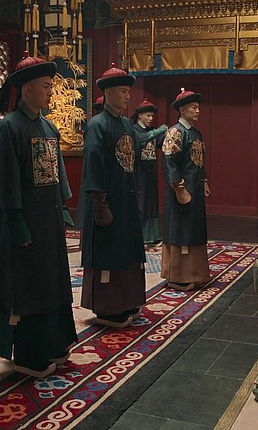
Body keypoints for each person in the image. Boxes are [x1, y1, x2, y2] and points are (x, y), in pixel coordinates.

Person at [0, 53, 76, 378]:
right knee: (29, 287)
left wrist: (62, 210)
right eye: (46, 86)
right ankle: (29, 353)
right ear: (27, 89)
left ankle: (55, 343)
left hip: (49, 221)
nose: (51, 92)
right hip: (24, 224)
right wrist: (17, 224)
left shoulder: (49, 126)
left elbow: (58, 174)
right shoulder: (8, 127)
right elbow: (6, 180)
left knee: (53, 282)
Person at [79, 64, 165, 328]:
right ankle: (109, 307)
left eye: (128, 91)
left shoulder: (127, 124)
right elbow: (93, 166)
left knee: (128, 251)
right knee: (110, 253)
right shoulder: (97, 125)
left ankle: (129, 300)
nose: (128, 96)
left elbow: (133, 161)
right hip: (108, 201)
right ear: (108, 94)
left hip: (127, 199)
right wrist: (100, 204)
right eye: (122, 92)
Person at [161, 88, 211, 291]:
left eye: (198, 107)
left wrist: (204, 180)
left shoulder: (195, 133)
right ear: (182, 110)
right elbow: (169, 161)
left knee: (194, 229)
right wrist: (178, 187)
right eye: (193, 107)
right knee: (181, 230)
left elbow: (200, 161)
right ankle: (179, 274)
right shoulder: (175, 132)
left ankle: (196, 272)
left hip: (195, 189)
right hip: (181, 190)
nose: (197, 111)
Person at [132, 99, 164, 245]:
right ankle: (142, 235)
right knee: (142, 204)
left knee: (152, 203)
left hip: (151, 173)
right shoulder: (134, 130)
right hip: (139, 174)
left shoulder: (152, 132)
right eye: (148, 116)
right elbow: (140, 141)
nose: (151, 119)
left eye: (152, 116)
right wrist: (158, 131)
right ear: (140, 115)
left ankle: (154, 235)